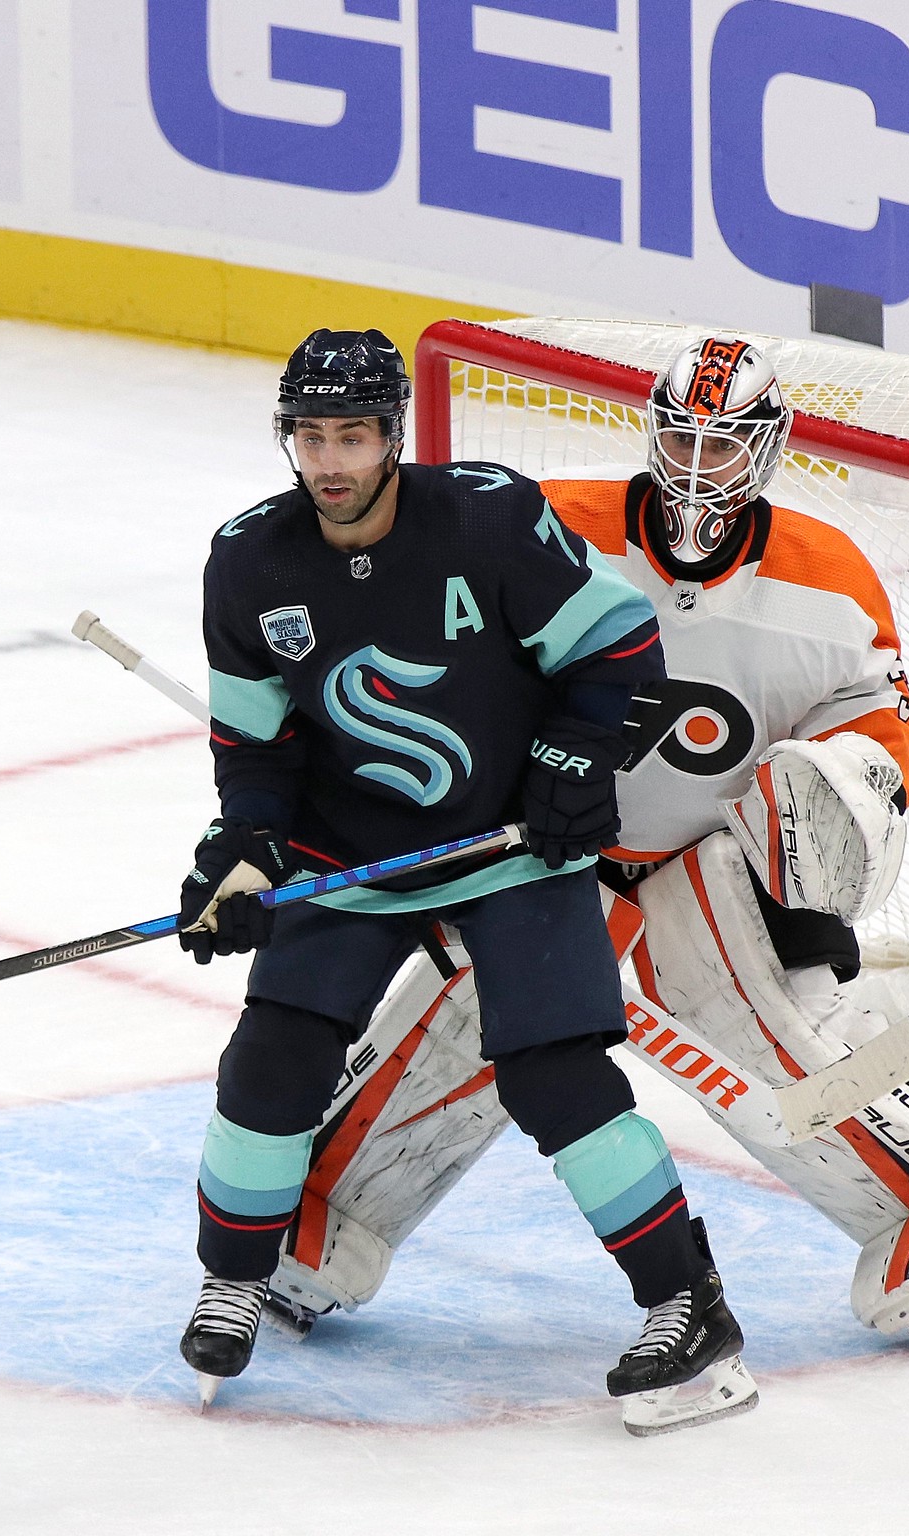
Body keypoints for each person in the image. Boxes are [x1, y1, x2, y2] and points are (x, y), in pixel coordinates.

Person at [270, 332, 909, 1354]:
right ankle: (325, 1216)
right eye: (678, 439)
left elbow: (873, 731)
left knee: (776, 1052)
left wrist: (820, 809)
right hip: (551, 855)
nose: (693, 469)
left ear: (767, 452)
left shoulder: (827, 580)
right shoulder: (548, 529)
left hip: (709, 867)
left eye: (720, 448)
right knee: (466, 1009)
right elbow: (440, 650)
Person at [179, 328, 757, 1435]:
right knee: (270, 1061)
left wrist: (574, 756)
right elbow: (255, 752)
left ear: (393, 436)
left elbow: (620, 650)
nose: (330, 461)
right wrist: (244, 848)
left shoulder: (489, 516)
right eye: (310, 437)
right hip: (351, 851)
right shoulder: (249, 560)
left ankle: (687, 1305)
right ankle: (232, 1275)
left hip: (509, 846)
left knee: (554, 1075)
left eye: (351, 435)